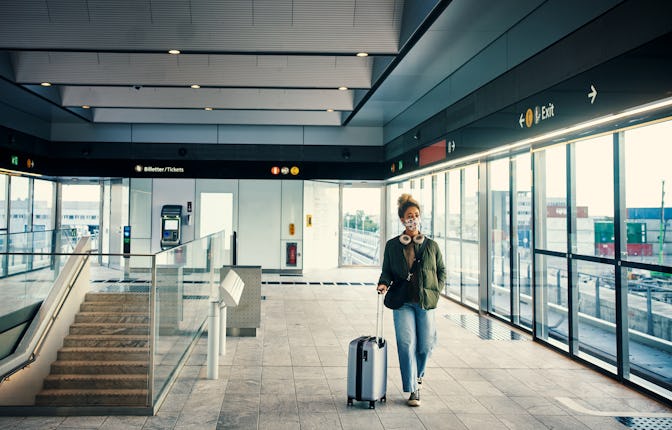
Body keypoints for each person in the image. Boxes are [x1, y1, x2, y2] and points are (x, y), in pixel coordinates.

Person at [377, 194, 446, 407]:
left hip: (425, 302)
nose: (413, 219)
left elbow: (442, 270)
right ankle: (413, 389)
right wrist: (383, 283)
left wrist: (435, 290)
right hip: (402, 301)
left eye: (416, 215)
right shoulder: (392, 246)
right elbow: (387, 271)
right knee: (406, 344)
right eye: (409, 216)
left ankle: (419, 376)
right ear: (402, 220)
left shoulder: (431, 246)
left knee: (425, 346)